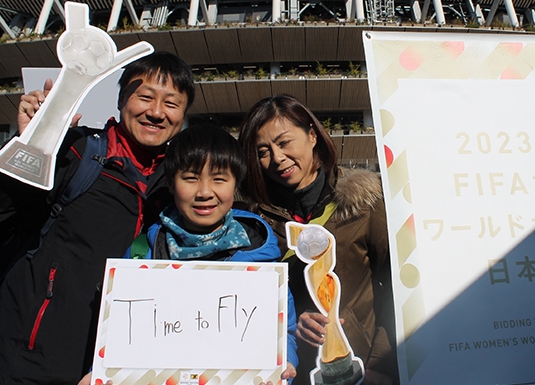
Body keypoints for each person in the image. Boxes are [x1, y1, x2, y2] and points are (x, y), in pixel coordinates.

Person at [0, 51, 195, 384]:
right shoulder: (75, 150)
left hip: (119, 364)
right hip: (33, 354)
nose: (156, 112)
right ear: (120, 100)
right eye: (145, 97)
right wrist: (30, 145)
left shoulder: (179, 181)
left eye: (171, 103)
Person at [238, 95, 398, 385]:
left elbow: (399, 287)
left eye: (285, 142)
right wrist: (293, 319)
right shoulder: (255, 223)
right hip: (294, 373)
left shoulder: (365, 201)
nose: (277, 158)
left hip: (366, 369)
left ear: (312, 135)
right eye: (263, 151)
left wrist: (382, 364)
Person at [121, 124, 297, 380]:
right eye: (191, 178)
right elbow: (119, 334)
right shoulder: (143, 252)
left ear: (235, 183)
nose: (205, 192)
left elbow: (285, 331)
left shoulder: (261, 250)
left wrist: (286, 363)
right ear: (171, 183)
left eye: (219, 179)